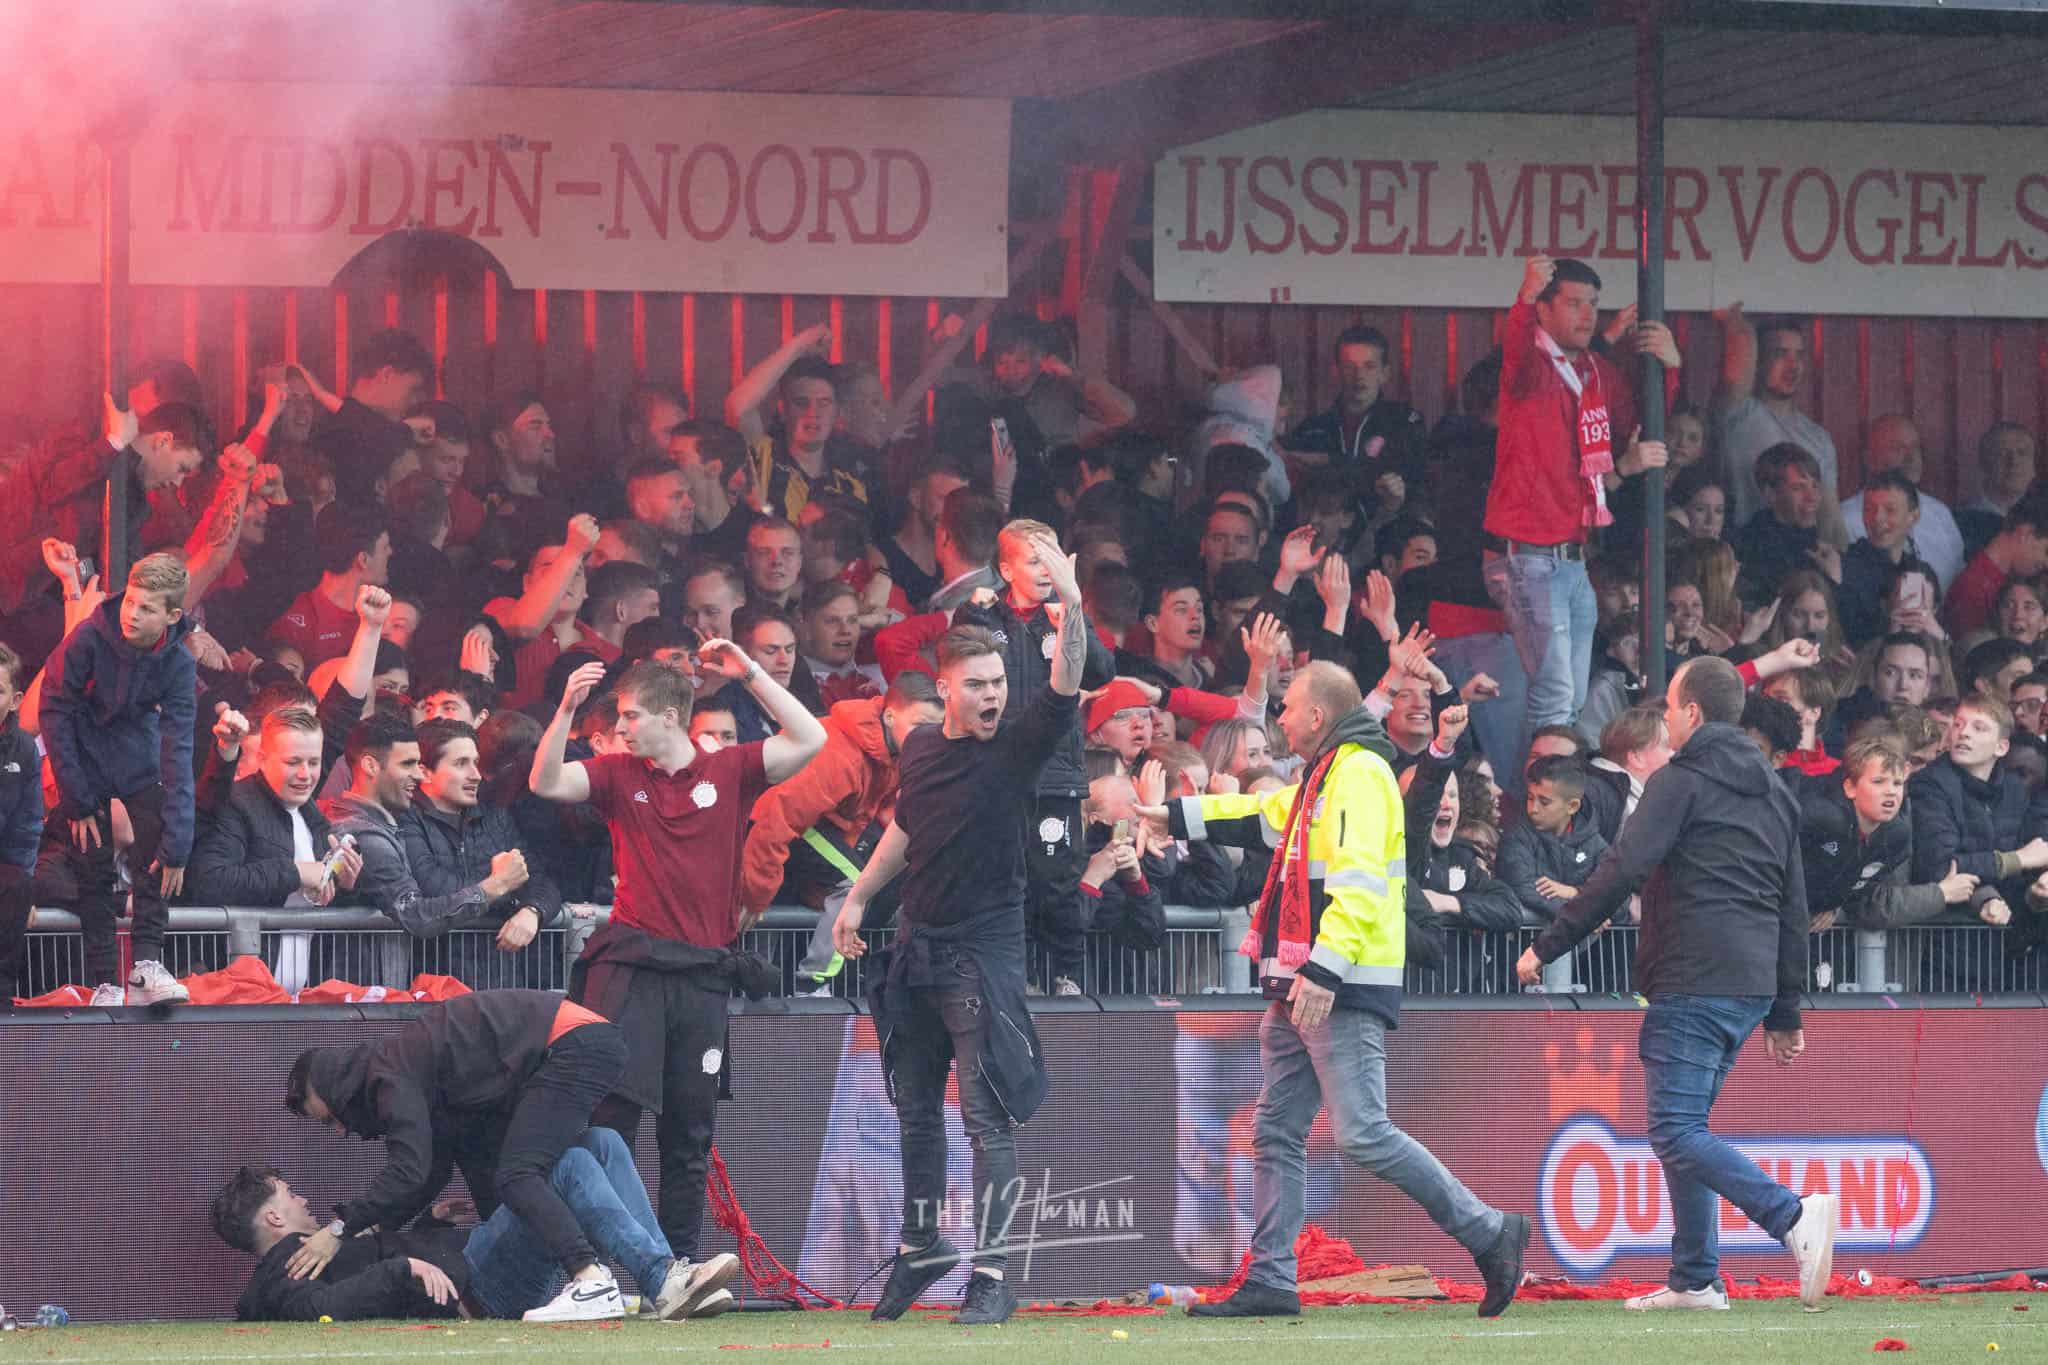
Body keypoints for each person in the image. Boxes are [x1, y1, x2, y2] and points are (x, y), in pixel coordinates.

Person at [1134, 656, 1528, 1318]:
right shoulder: (1329, 774)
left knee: (1362, 1132)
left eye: (1287, 706)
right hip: (1310, 981)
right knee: (1276, 1130)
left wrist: (1322, 970)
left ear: (1317, 715)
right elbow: (1262, 814)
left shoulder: (1359, 773)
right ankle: (1271, 1277)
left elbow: (1361, 884)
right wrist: (1175, 815)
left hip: (1335, 983)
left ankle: (1490, 1231)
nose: (1280, 717)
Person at [1514, 656, 1839, 1312]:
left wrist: (1548, 944)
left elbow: (1622, 868)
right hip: (1748, 984)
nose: (1664, 716)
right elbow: (1792, 904)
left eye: (1668, 705)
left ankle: (1791, 1215)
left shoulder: (1679, 781)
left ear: (1692, 712)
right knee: (1687, 1131)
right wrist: (1784, 1009)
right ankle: (1695, 1277)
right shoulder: (1775, 791)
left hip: (1693, 976)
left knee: (1676, 1131)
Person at [828, 526, 1090, 1327]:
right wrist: (858, 898)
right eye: (976, 684)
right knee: (914, 1108)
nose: (991, 695)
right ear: (944, 688)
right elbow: (909, 827)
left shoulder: (1016, 746)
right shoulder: (917, 748)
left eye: (998, 682)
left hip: (985, 949)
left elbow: (1065, 683)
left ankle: (993, 1273)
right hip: (917, 944)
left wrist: (1071, 603)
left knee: (985, 1117)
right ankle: (922, 1247)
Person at [530, 649, 825, 1283]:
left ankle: (680, 1270)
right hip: (631, 970)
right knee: (610, 1123)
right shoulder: (617, 774)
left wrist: (749, 673)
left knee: (689, 1132)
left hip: (703, 977)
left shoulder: (730, 768)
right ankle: (601, 1272)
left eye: (631, 716)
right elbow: (545, 783)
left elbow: (812, 738)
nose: (621, 727)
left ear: (670, 717)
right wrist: (565, 709)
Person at [284, 990, 734, 1323]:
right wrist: (383, 1223)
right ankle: (664, 1281)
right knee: (601, 1144)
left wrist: (340, 1228)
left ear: (331, 1085)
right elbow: (426, 1171)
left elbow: (410, 1170)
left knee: (524, 1172)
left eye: (329, 1119)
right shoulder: (430, 1079)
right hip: (590, 1034)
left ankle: (600, 1278)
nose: (340, 1130)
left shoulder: (392, 1075)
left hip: (569, 1042)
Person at [213, 1127, 713, 1322]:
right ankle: (661, 1279)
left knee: (601, 1141)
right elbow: (317, 1307)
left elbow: (367, 1260)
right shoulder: (284, 1268)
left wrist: (426, 1225)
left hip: (474, 1260)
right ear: (273, 1217)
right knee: (570, 1165)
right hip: (479, 1285)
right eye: (290, 1194)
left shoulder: (311, 1251)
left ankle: (662, 1281)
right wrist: (406, 1267)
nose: (303, 1199)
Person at [1484, 256, 1670, 769]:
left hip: (1572, 559)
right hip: (1527, 555)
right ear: (1543, 311)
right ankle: (1545, 801)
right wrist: (1524, 296)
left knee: (1570, 700)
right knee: (1555, 698)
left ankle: (1553, 795)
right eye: (1572, 303)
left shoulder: (1595, 373)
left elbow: (1641, 416)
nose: (1587, 314)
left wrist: (1667, 364)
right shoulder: (1529, 368)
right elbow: (1516, 345)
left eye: (1593, 303)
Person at [954, 519, 1117, 994]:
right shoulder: (987, 616)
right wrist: (969, 610)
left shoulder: (1065, 613)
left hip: (1055, 777)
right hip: (996, 776)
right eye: (1034, 561)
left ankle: (1067, 977)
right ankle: (1015, 981)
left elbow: (1102, 671)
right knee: (1004, 880)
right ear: (1006, 570)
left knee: (1057, 881)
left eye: (1053, 560)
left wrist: (1074, 612)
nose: (1047, 570)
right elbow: (956, 660)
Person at [39, 552, 199, 1004]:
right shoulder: (89, 636)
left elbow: (179, 749)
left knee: (162, 841)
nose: (132, 614)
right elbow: (53, 708)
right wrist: (76, 797)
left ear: (172, 615)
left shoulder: (179, 662)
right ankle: (103, 983)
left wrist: (179, 841)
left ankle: (147, 965)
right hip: (83, 753)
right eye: (130, 601)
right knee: (91, 857)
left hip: (136, 755)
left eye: (146, 608)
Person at [400, 719, 562, 985]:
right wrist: (501, 884)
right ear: (425, 772)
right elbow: (433, 888)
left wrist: (533, 910)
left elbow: (541, 880)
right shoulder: (405, 819)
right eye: (461, 763)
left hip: (500, 982)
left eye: (475, 762)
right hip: (432, 984)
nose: (475, 774)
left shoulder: (494, 817)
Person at [1710, 306, 1843, 545]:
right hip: (1743, 553)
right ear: (1758, 362)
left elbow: (1830, 521)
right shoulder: (1736, 414)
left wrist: (1837, 563)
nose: (1793, 365)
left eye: (1799, 355)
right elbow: (1742, 342)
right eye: (1780, 354)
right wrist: (1734, 317)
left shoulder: (1818, 437)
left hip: (1800, 557)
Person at [1286, 325, 1428, 521]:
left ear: (1385, 373)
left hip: (1388, 532)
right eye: (1349, 366)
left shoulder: (1403, 422)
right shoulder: (1312, 428)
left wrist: (1328, 461)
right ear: (1336, 372)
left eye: (1369, 366)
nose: (1359, 375)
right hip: (1325, 532)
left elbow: (1411, 479)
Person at [1840, 415, 1964, 592]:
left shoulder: (1940, 514)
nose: (1911, 457)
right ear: (1869, 458)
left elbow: (1959, 579)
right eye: (1898, 448)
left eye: (1915, 447)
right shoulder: (1846, 519)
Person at [1498, 756, 1608, 923]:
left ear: (1572, 806)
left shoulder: (1595, 845)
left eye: (1544, 802)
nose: (1533, 809)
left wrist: (1575, 892)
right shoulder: (1516, 836)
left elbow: (1620, 899)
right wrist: (1581, 915)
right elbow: (1522, 886)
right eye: (1530, 798)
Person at [0, 643, 45, 1006]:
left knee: (18, 885)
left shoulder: (25, 749)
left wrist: (24, 890)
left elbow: (27, 826)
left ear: (15, 700)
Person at [1959, 422, 2039, 560]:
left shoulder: (2043, 516)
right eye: (2002, 453)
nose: (2014, 462)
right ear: (1984, 463)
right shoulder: (1959, 522)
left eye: (2023, 453)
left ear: (2034, 466)